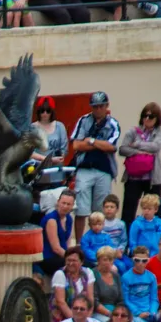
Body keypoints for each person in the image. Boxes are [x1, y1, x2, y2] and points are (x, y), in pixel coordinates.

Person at [68, 93, 121, 226]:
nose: (97, 109)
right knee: (80, 209)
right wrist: (100, 145)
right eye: (94, 107)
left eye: (100, 106)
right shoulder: (84, 120)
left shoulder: (113, 123)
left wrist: (91, 141)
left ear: (106, 106)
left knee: (100, 211)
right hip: (84, 167)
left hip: (104, 169)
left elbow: (111, 147)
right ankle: (79, 244)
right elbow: (76, 145)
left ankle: (99, 240)